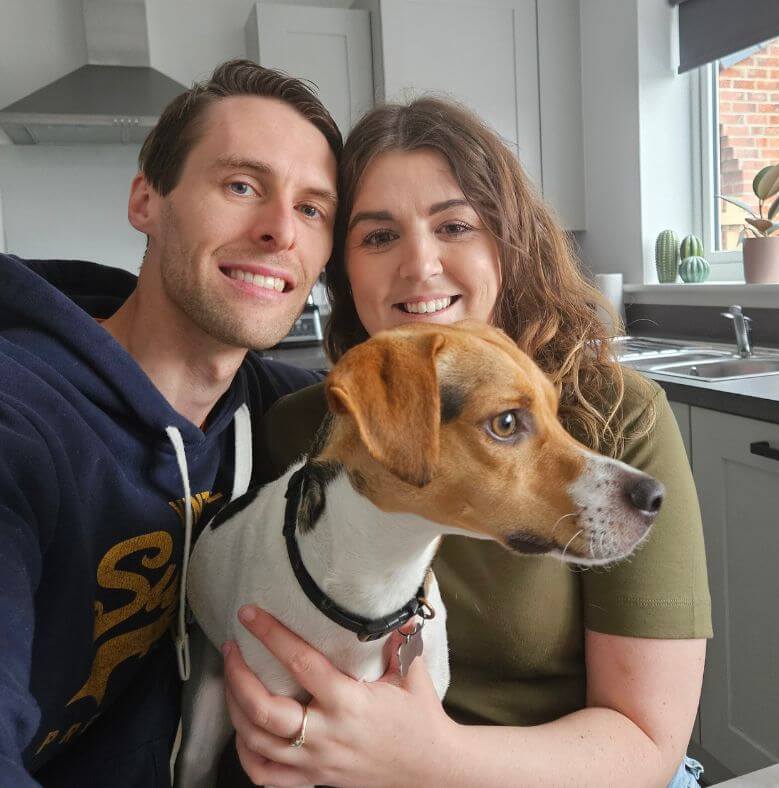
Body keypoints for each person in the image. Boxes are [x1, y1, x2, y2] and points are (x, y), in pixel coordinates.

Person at [220, 97, 712, 787]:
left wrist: (430, 760)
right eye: (378, 236)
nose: (421, 266)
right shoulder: (302, 431)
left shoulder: (618, 417)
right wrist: (271, 727)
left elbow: (648, 741)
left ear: (508, 243)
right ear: (341, 270)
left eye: (455, 225)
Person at [0, 60, 342, 787]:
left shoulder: (279, 410)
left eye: (312, 209)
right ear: (146, 200)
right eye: (242, 186)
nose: (280, 230)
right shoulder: (21, 418)